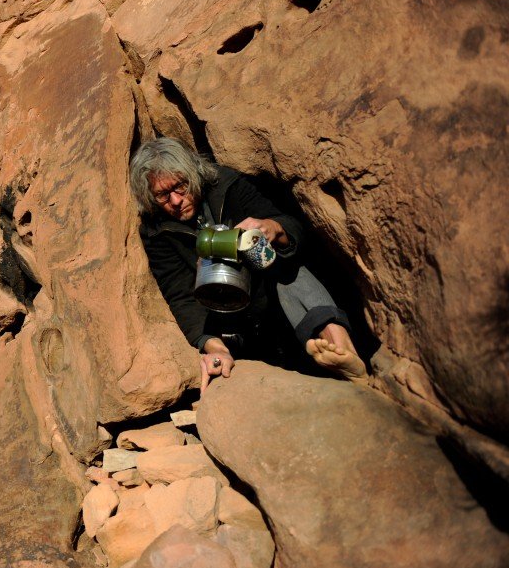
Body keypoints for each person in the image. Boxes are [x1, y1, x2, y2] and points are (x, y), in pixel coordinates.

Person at [129, 137, 367, 393]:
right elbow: (180, 296)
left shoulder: (227, 186)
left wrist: (274, 228)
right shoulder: (157, 232)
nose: (175, 201)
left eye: (181, 187)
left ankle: (342, 351)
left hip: (273, 295)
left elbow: (296, 227)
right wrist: (213, 347)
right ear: (151, 197)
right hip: (232, 318)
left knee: (291, 273)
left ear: (193, 174)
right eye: (163, 195)